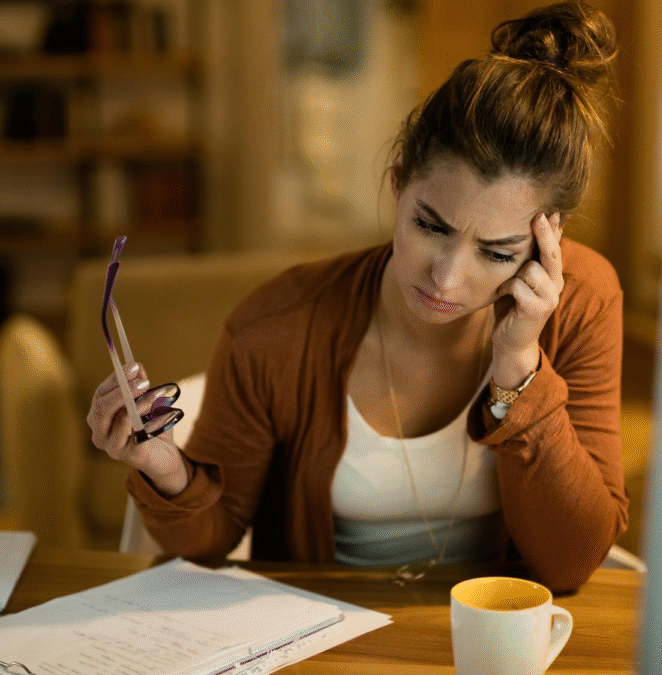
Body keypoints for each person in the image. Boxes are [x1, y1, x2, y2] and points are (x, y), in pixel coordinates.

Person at [87, 1, 627, 592]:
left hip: (493, 634)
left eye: (496, 253)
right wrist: (163, 468)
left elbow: (571, 565)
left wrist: (519, 367)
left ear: (550, 238)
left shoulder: (580, 301)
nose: (446, 279)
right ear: (398, 182)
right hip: (324, 634)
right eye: (430, 226)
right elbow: (212, 541)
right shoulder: (277, 325)